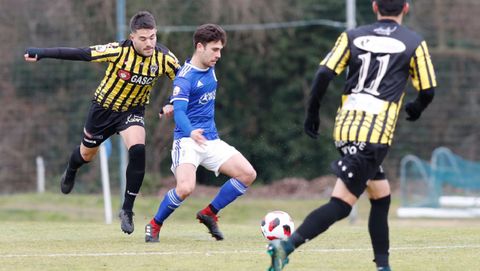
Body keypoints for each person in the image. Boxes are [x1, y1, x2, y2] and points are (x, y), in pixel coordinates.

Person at [267, 0, 437, 270]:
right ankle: (285, 246)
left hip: (345, 127)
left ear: (374, 7)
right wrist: (416, 108)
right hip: (374, 135)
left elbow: (324, 73)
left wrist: (312, 112)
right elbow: (428, 89)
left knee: (381, 196)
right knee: (341, 204)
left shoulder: (352, 36)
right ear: (406, 7)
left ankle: (383, 265)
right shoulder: (414, 42)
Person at [24, 11, 180, 235]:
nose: (149, 43)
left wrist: (170, 101)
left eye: (153, 37)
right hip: (102, 111)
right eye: (143, 38)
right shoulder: (117, 51)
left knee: (138, 149)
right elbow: (80, 53)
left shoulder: (164, 58)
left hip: (132, 111)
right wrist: (42, 53)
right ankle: (72, 168)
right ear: (132, 37)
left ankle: (127, 209)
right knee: (87, 154)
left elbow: (183, 81)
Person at [144, 24, 257, 243]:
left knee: (248, 174)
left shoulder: (209, 67)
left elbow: (183, 100)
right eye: (214, 49)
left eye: (220, 49)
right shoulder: (184, 78)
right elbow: (180, 112)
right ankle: (154, 224)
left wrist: (170, 103)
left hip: (210, 139)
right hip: (187, 141)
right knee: (186, 188)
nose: (219, 55)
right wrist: (190, 131)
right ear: (199, 47)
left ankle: (209, 213)